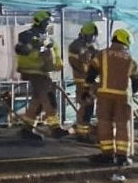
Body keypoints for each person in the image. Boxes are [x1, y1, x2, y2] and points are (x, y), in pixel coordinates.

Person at [86, 28, 138, 163]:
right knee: (122, 126)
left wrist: (92, 86)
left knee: (104, 124)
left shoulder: (102, 55)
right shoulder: (130, 60)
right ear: (126, 42)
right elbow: (136, 81)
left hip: (104, 96)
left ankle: (107, 155)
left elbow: (91, 73)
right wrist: (133, 93)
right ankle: (122, 156)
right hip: (123, 97)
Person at [15, 10, 67, 139]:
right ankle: (55, 128)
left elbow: (54, 52)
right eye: (46, 21)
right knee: (48, 98)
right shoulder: (28, 35)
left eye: (49, 21)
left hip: (43, 71)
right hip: (35, 71)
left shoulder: (47, 38)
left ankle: (27, 128)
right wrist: (38, 51)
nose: (48, 24)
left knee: (37, 102)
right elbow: (23, 50)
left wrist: (57, 63)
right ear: (38, 21)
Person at [67, 21, 100, 140]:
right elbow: (81, 65)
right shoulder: (77, 46)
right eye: (92, 36)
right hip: (82, 81)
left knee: (89, 106)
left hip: (88, 81)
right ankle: (82, 133)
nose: (93, 39)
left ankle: (84, 130)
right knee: (86, 105)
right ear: (86, 34)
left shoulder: (88, 46)